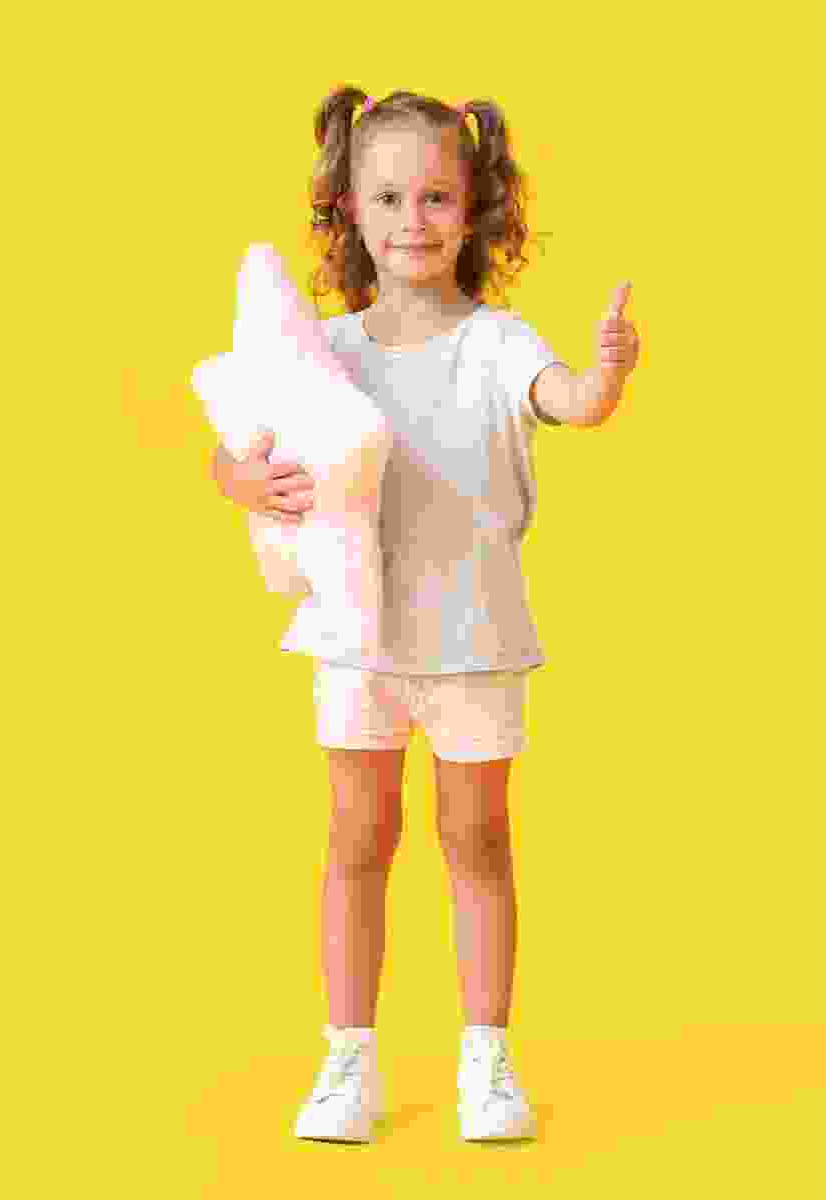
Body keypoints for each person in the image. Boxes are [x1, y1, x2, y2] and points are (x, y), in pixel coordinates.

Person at [208, 87, 637, 1144]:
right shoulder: (325, 350)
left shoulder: (498, 342)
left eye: (437, 197)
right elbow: (235, 451)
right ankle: (345, 1058)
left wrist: (607, 375)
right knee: (357, 840)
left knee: (477, 841)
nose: (414, 220)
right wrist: (240, 481)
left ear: (474, 208)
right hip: (357, 644)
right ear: (350, 208)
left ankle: (485, 1061)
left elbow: (571, 401)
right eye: (390, 197)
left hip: (474, 640)